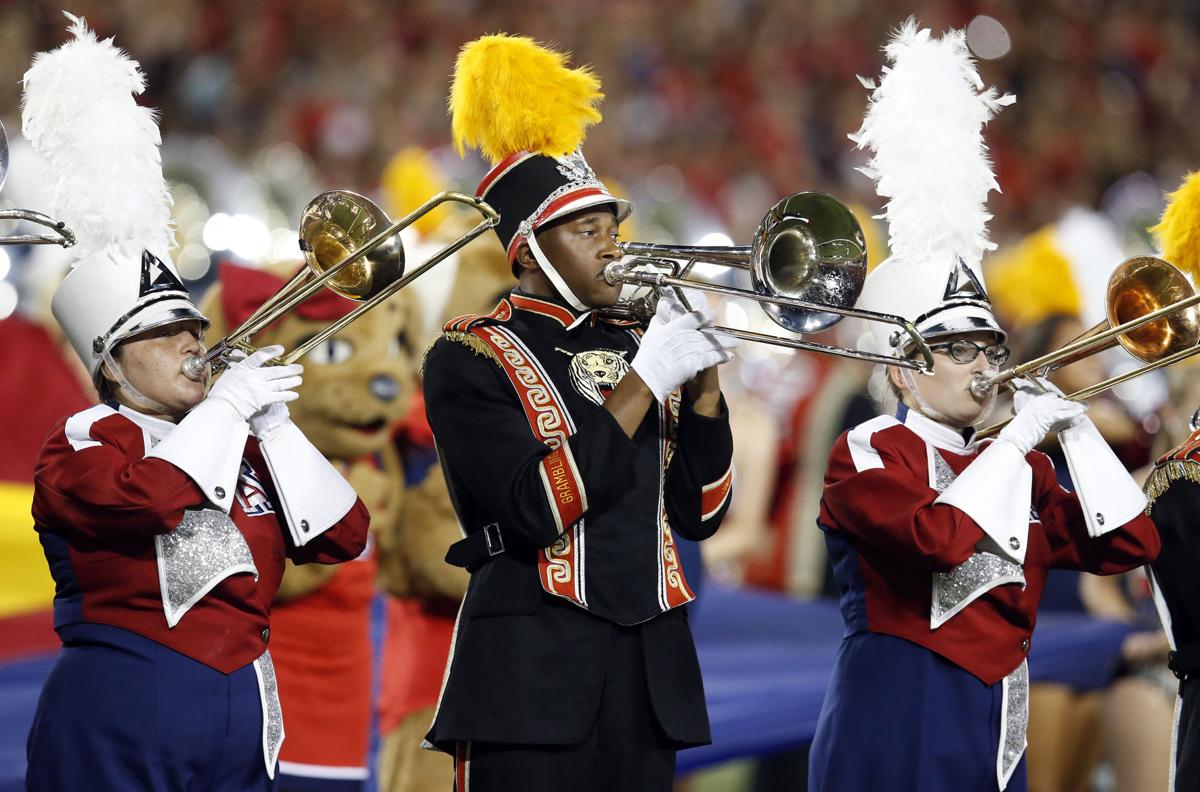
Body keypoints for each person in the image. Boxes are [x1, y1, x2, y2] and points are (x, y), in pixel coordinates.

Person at [808, 22, 1160, 792]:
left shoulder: (1020, 462)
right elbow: (937, 539)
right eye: (960, 349)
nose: (983, 365)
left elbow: (1130, 544)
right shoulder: (867, 451)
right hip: (893, 713)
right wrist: (1016, 445)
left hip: (996, 717)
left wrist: (1073, 431)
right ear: (903, 370)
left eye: (989, 348)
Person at [21, 18, 369, 790]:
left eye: (191, 327)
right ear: (110, 362)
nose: (190, 346)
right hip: (120, 712)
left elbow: (343, 536)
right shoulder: (82, 439)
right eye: (161, 335)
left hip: (245, 709)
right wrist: (227, 412)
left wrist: (274, 429)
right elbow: (150, 499)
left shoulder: (231, 433)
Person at [421, 34, 738, 790]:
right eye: (586, 231)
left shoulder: (639, 341)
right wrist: (645, 378)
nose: (612, 248)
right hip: (529, 675)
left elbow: (699, 513)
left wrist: (704, 388)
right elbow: (536, 507)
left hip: (648, 668)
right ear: (528, 248)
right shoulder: (470, 357)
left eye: (611, 228)